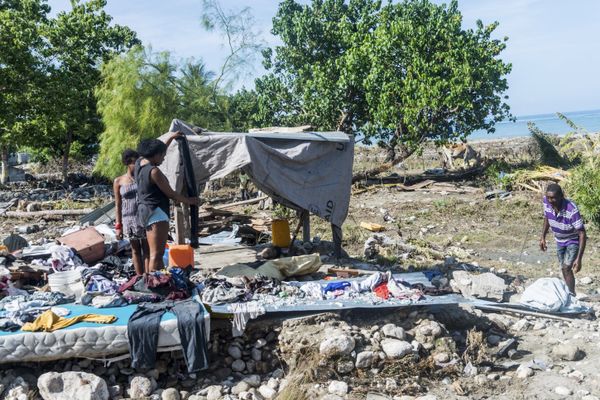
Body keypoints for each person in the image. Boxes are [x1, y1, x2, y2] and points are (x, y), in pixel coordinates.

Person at [135, 132, 198, 272]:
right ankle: (155, 284)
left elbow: (158, 149)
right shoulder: (154, 172)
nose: (164, 158)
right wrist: (190, 201)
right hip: (156, 212)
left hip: (144, 211)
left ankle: (157, 279)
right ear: (156, 154)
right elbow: (171, 194)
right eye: (163, 155)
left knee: (153, 253)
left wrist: (170, 137)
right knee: (156, 255)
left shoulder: (139, 163)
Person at [539, 183, 587, 295]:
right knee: (564, 268)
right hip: (559, 240)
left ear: (561, 196)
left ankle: (571, 295)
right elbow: (547, 218)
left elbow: (582, 233)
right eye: (548, 197)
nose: (550, 200)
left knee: (566, 268)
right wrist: (543, 237)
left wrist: (579, 259)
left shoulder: (571, 209)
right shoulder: (546, 202)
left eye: (553, 198)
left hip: (573, 240)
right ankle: (570, 294)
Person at [113, 149, 148, 276]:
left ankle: (148, 277)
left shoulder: (142, 177)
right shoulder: (119, 181)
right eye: (134, 162)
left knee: (147, 249)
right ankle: (139, 277)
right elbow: (118, 205)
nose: (137, 165)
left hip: (144, 217)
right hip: (129, 219)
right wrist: (118, 226)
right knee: (135, 250)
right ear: (128, 163)